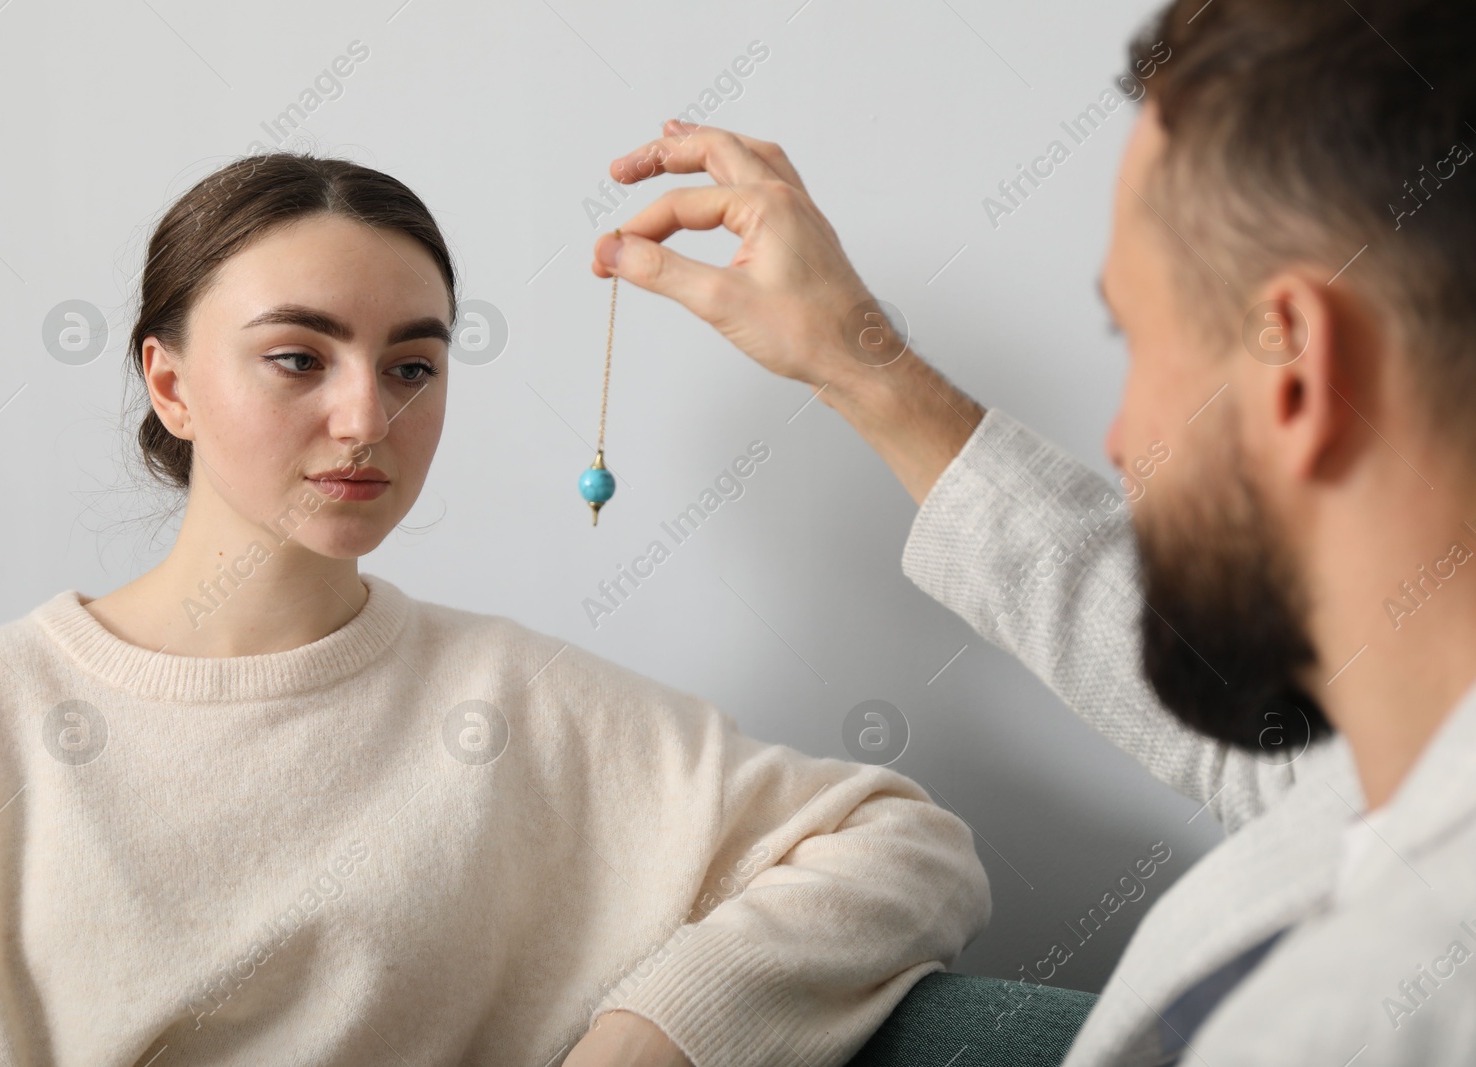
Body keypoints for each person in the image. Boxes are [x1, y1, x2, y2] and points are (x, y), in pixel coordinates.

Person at [0, 154, 993, 1065]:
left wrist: (656, 1031)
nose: (366, 417)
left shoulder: (516, 703)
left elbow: (911, 850)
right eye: (296, 357)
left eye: (412, 366)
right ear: (169, 385)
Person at [590, 0, 1476, 1062]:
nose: (1115, 435)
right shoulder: (1405, 762)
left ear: (1296, 377)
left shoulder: (1362, 1013)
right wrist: (860, 365)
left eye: (1134, 336)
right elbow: (1292, 757)